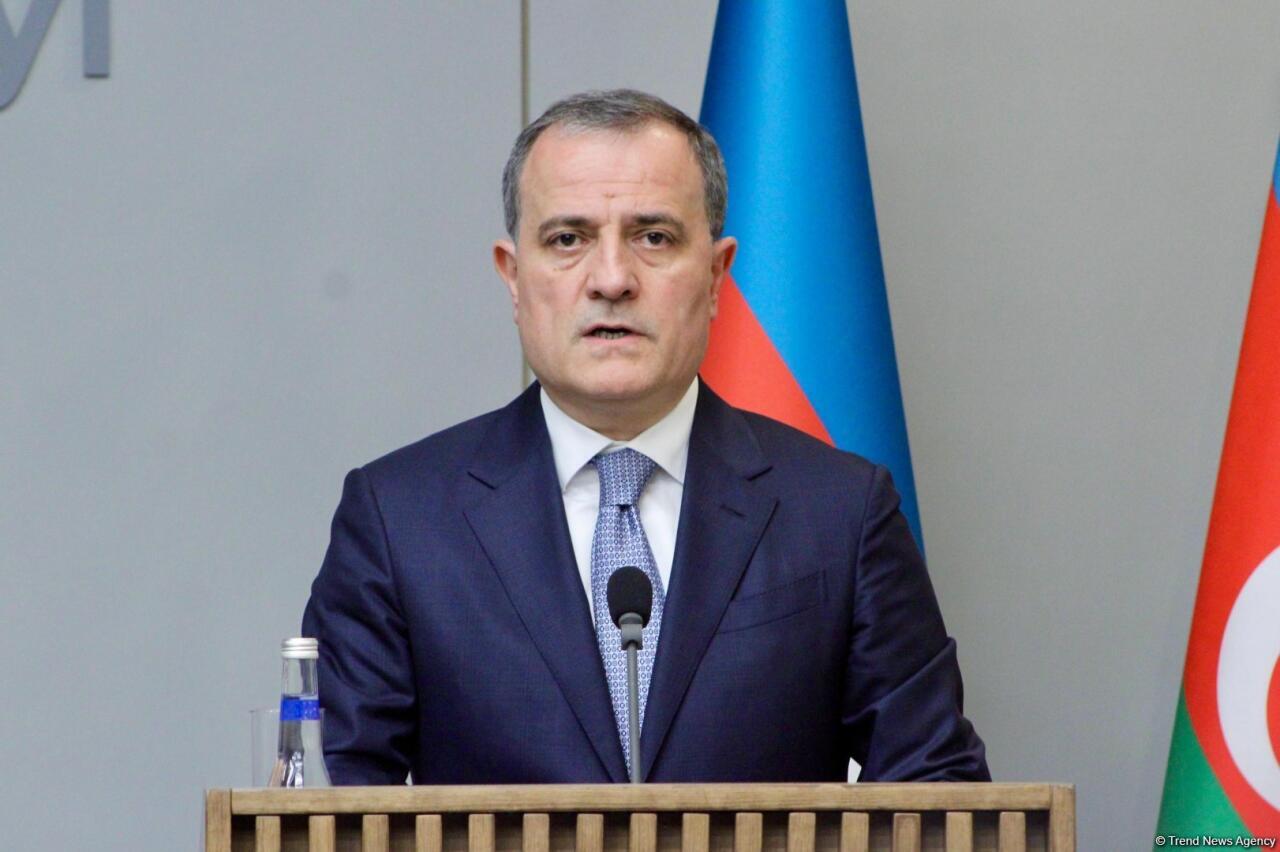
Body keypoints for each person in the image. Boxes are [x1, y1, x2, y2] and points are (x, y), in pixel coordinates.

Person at [302, 89, 989, 785]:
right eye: (568, 240)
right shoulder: (399, 520)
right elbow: (329, 802)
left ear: (716, 276)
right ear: (513, 278)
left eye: (653, 237)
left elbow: (938, 789)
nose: (611, 280)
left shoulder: (841, 512)